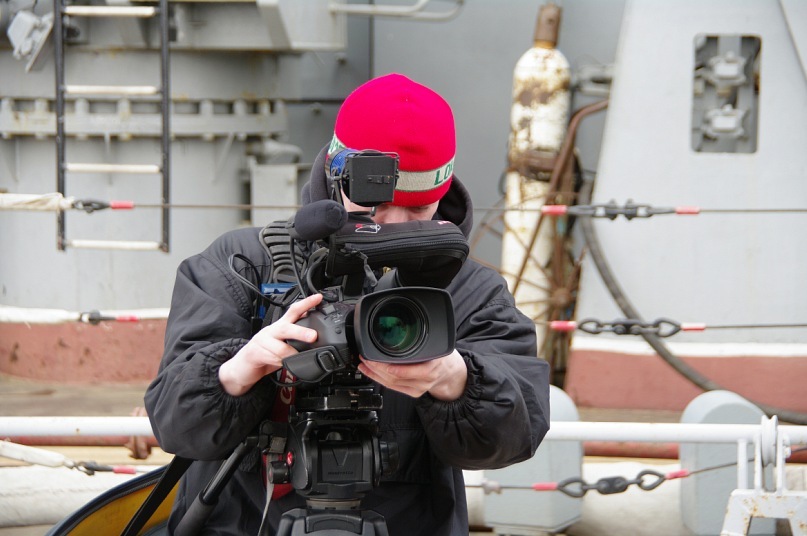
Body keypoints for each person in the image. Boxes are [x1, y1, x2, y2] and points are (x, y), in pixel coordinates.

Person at [145, 73, 550, 536]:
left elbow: (518, 434)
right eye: (375, 206)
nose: (393, 227)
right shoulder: (244, 266)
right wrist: (240, 370)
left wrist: (456, 380)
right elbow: (174, 423)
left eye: (419, 210)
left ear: (443, 195)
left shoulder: (468, 291)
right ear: (337, 176)